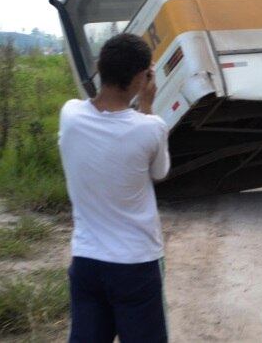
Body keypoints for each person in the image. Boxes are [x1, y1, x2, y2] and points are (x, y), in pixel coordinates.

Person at [58, 33, 170, 342]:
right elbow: (159, 173)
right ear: (141, 77)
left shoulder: (69, 115)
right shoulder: (151, 127)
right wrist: (147, 105)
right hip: (136, 264)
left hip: (86, 262)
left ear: (98, 67)